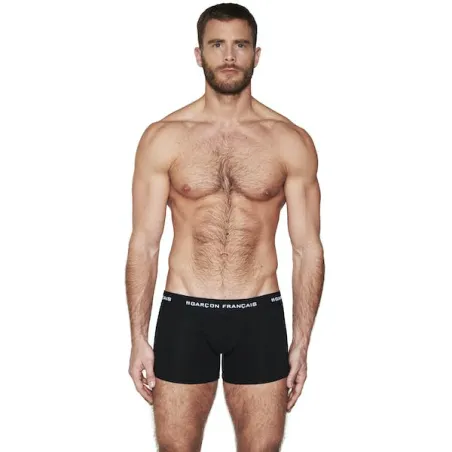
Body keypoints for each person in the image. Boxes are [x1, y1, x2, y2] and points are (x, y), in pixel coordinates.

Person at [125, 3, 325, 451]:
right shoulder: (164, 137)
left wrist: (302, 341)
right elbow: (145, 244)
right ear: (199, 54)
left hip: (259, 315)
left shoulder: (289, 141)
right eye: (217, 44)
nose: (229, 56)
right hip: (184, 313)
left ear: (257, 54)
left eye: (241, 45)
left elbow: (307, 248)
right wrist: (137, 337)